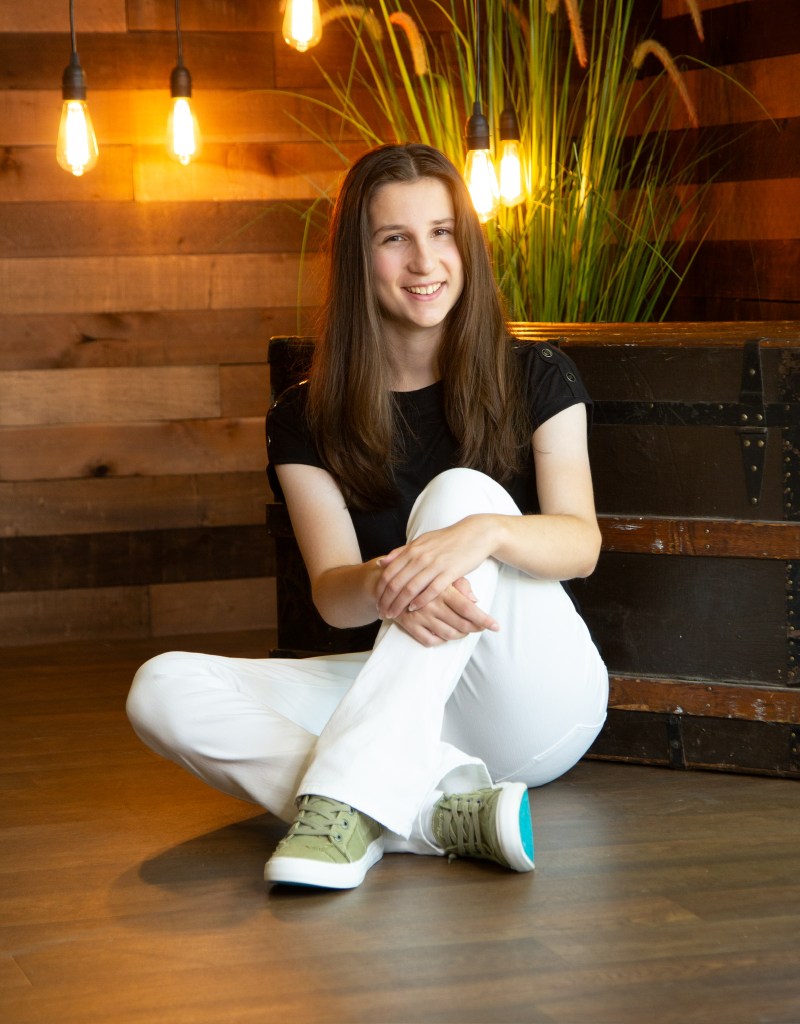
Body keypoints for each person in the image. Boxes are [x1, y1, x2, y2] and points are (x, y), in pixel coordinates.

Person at [126, 142, 608, 891]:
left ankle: (352, 804)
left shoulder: (536, 375)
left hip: (534, 697)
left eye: (442, 232)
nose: (425, 261)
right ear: (359, 257)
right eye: (394, 238)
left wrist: (481, 533)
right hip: (419, 712)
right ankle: (433, 813)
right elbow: (333, 594)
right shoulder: (304, 417)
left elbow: (580, 544)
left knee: (460, 495)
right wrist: (392, 582)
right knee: (161, 688)